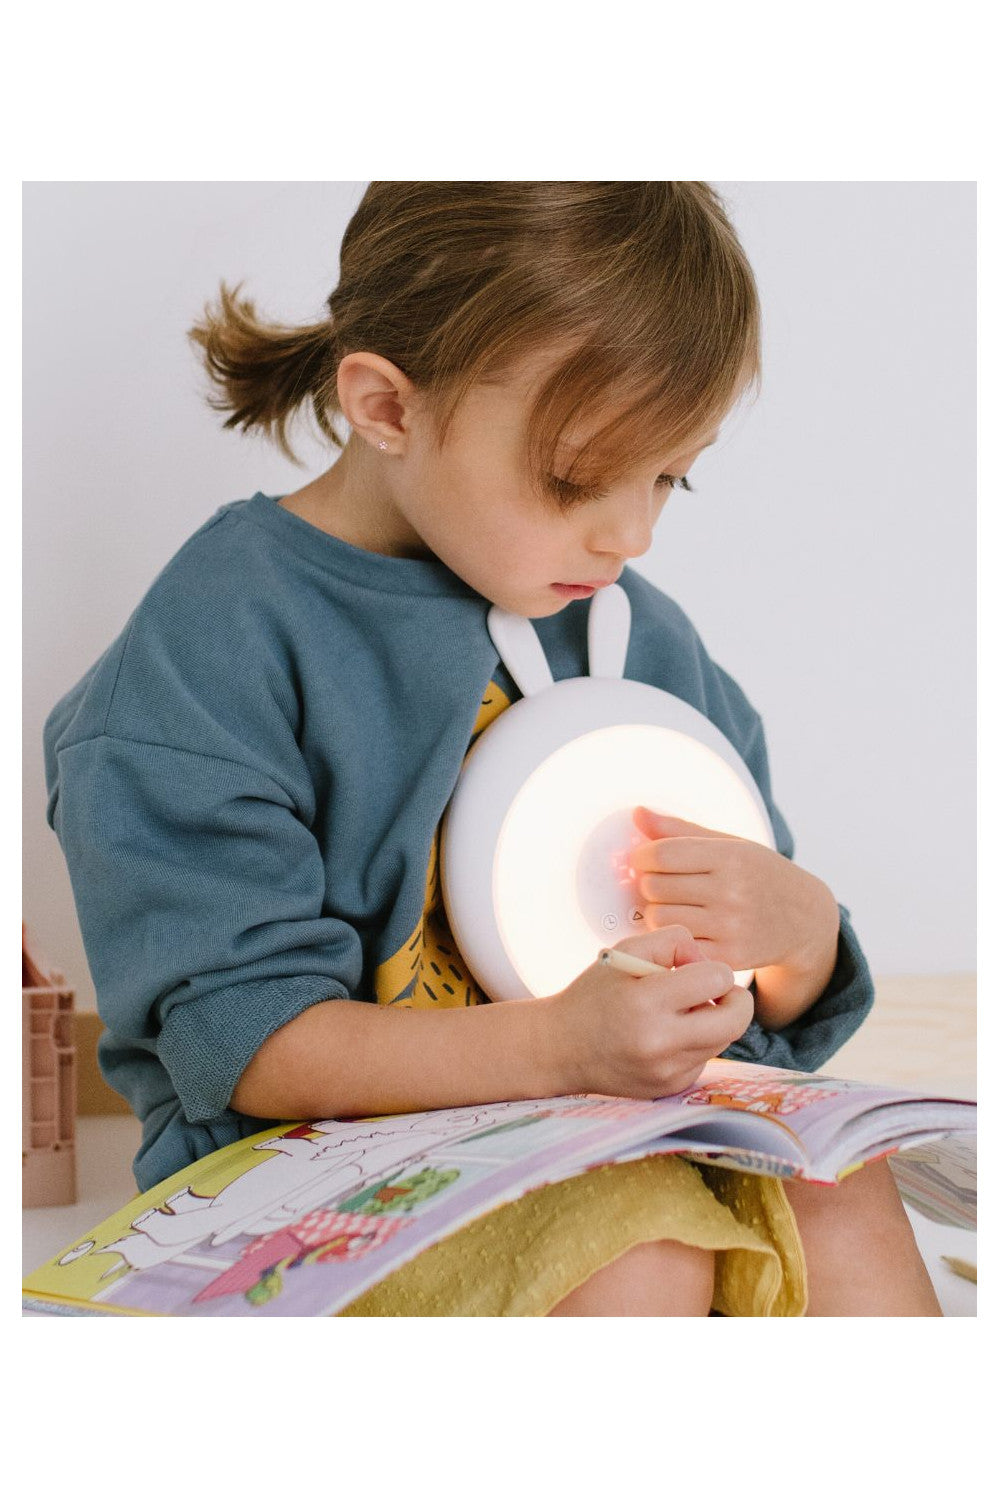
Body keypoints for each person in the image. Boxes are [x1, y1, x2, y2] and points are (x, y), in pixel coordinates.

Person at [43, 181, 940, 1315]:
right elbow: (249, 1046)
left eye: (669, 474)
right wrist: (562, 1047)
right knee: (638, 1247)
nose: (632, 533)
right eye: (575, 479)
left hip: (599, 1122)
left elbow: (753, 1006)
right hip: (300, 1175)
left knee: (846, 1192)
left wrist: (795, 935)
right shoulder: (214, 649)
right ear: (385, 407)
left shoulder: (627, 631)